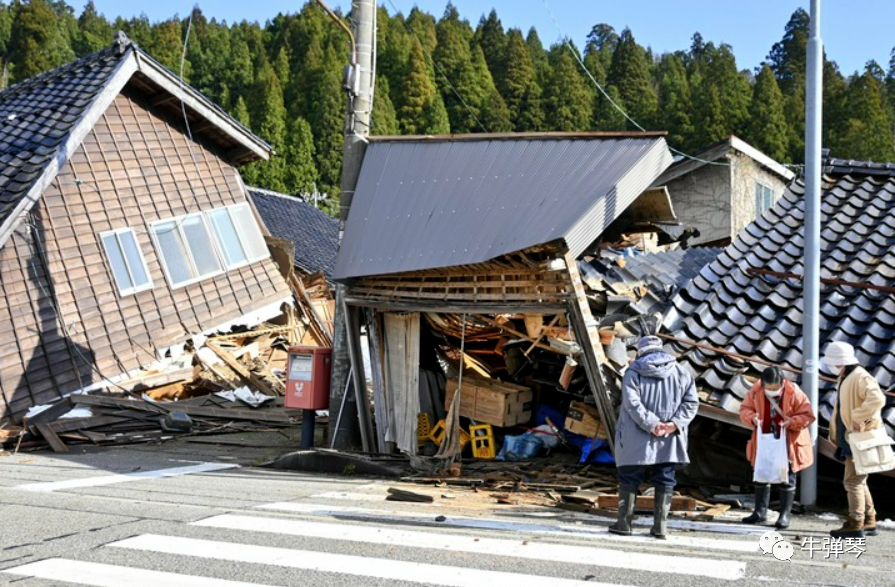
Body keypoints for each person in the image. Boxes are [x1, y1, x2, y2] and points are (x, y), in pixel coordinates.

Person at [609, 335, 699, 540]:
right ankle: (660, 527)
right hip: (669, 437)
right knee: (665, 477)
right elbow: (691, 403)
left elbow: (632, 403)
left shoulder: (633, 372)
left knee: (629, 477)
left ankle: (624, 523)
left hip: (636, 436)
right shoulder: (682, 372)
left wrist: (651, 424)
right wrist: (673, 424)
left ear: (641, 351)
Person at [739, 367, 816, 529]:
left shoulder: (794, 392)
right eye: (769, 388)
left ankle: (784, 515)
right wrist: (752, 418)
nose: (772, 391)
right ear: (762, 383)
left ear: (783, 383)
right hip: (764, 439)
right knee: (761, 474)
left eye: (775, 389)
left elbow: (808, 415)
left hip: (788, 440)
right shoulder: (756, 390)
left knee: (786, 477)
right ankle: (760, 512)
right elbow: (744, 409)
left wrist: (792, 422)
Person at [825, 341, 886, 538]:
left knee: (852, 481)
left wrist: (861, 419)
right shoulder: (849, 376)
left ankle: (855, 522)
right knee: (859, 480)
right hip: (852, 437)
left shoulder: (859, 377)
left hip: (859, 438)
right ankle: (869, 520)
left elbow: (878, 400)